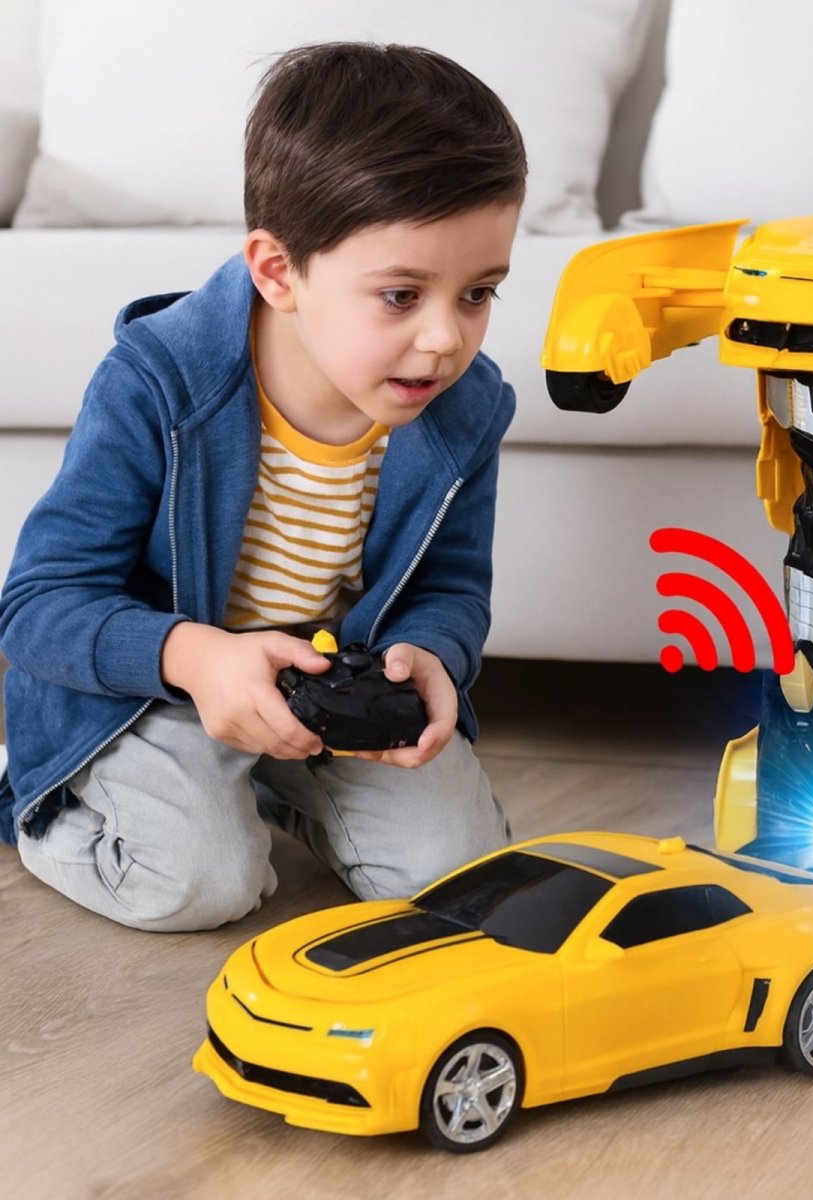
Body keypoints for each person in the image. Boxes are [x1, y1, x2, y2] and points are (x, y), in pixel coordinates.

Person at [0, 42, 526, 931]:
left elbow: (450, 588)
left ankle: (277, 784)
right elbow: (38, 604)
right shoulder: (158, 383)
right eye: (402, 296)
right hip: (160, 690)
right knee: (201, 888)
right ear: (279, 271)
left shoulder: (465, 409)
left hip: (330, 684)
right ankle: (44, 802)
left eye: (478, 294)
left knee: (455, 879)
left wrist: (434, 656)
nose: (446, 340)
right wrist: (196, 659)